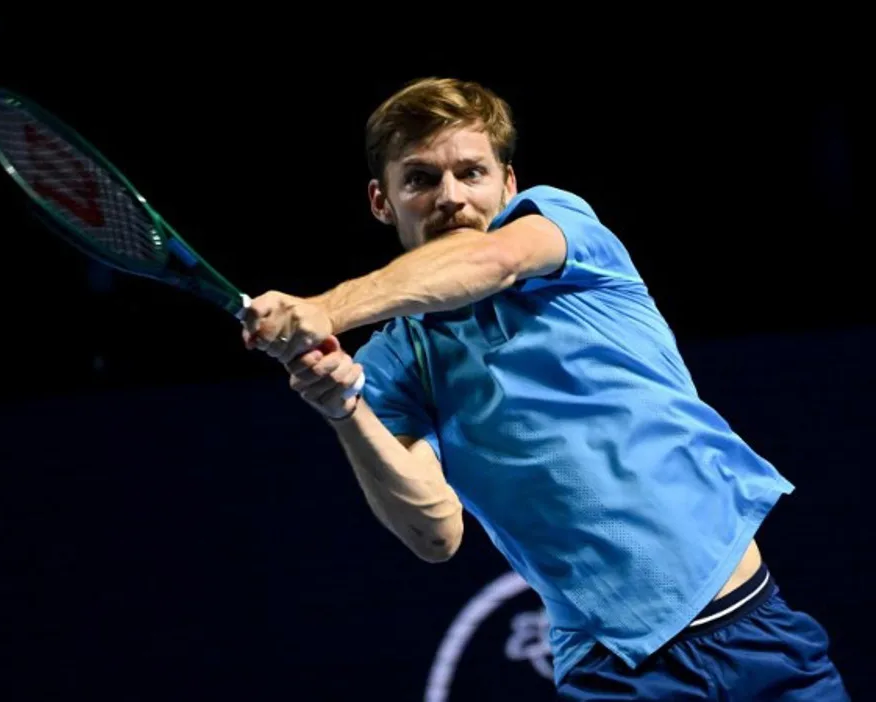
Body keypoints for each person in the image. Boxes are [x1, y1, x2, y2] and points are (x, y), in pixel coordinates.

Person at [240, 77, 850, 699]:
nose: (450, 197)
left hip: (758, 628)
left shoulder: (559, 229)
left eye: (471, 173)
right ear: (381, 200)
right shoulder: (397, 362)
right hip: (616, 670)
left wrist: (327, 307)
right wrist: (346, 407)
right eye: (421, 180)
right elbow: (434, 532)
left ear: (507, 184)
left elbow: (491, 263)